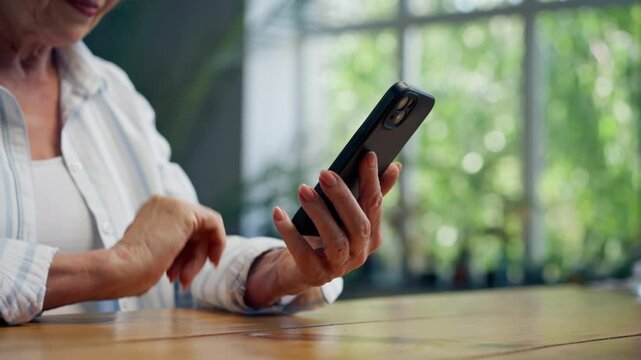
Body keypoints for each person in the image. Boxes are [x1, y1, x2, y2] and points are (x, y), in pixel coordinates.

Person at [0, 0, 402, 325]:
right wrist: (112, 268)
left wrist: (282, 272)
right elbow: (134, 265)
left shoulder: (114, 96)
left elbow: (185, 265)